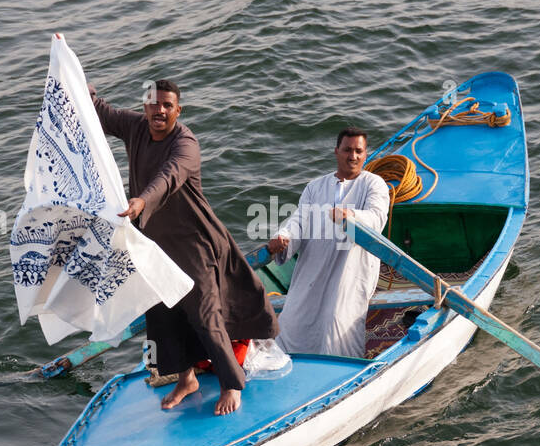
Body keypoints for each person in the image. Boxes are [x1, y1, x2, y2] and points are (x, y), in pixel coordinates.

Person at [90, 79, 277, 415]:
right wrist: (72, 75)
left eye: (167, 105)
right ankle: (186, 379)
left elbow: (168, 176)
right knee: (162, 316)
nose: (159, 110)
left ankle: (231, 383)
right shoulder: (136, 127)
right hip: (154, 245)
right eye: (153, 104)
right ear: (145, 106)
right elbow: (100, 112)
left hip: (195, 244)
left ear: (178, 110)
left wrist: (142, 202)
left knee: (204, 314)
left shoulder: (185, 143)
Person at [266, 128, 390, 358]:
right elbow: (299, 221)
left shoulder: (374, 184)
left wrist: (350, 216)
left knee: (337, 322)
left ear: (365, 155)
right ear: (336, 152)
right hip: (314, 266)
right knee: (293, 319)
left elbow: (377, 217)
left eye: (358, 151)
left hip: (351, 268)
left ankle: (341, 371)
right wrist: (283, 236)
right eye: (347, 150)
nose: (352, 156)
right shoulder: (316, 187)